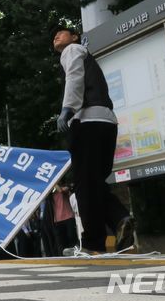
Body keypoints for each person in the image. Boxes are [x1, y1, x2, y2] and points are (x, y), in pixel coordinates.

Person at [53, 25, 134, 255]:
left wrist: (67, 109)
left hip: (88, 121)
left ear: (75, 37)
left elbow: (75, 77)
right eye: (54, 35)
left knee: (83, 184)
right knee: (94, 183)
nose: (56, 36)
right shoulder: (88, 58)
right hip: (107, 123)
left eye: (61, 32)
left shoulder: (72, 50)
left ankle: (92, 244)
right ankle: (120, 218)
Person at [52, 183, 78, 252]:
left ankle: (75, 252)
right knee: (61, 241)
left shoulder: (64, 188)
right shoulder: (51, 193)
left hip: (68, 217)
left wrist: (54, 183)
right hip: (58, 220)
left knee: (71, 237)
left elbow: (60, 190)